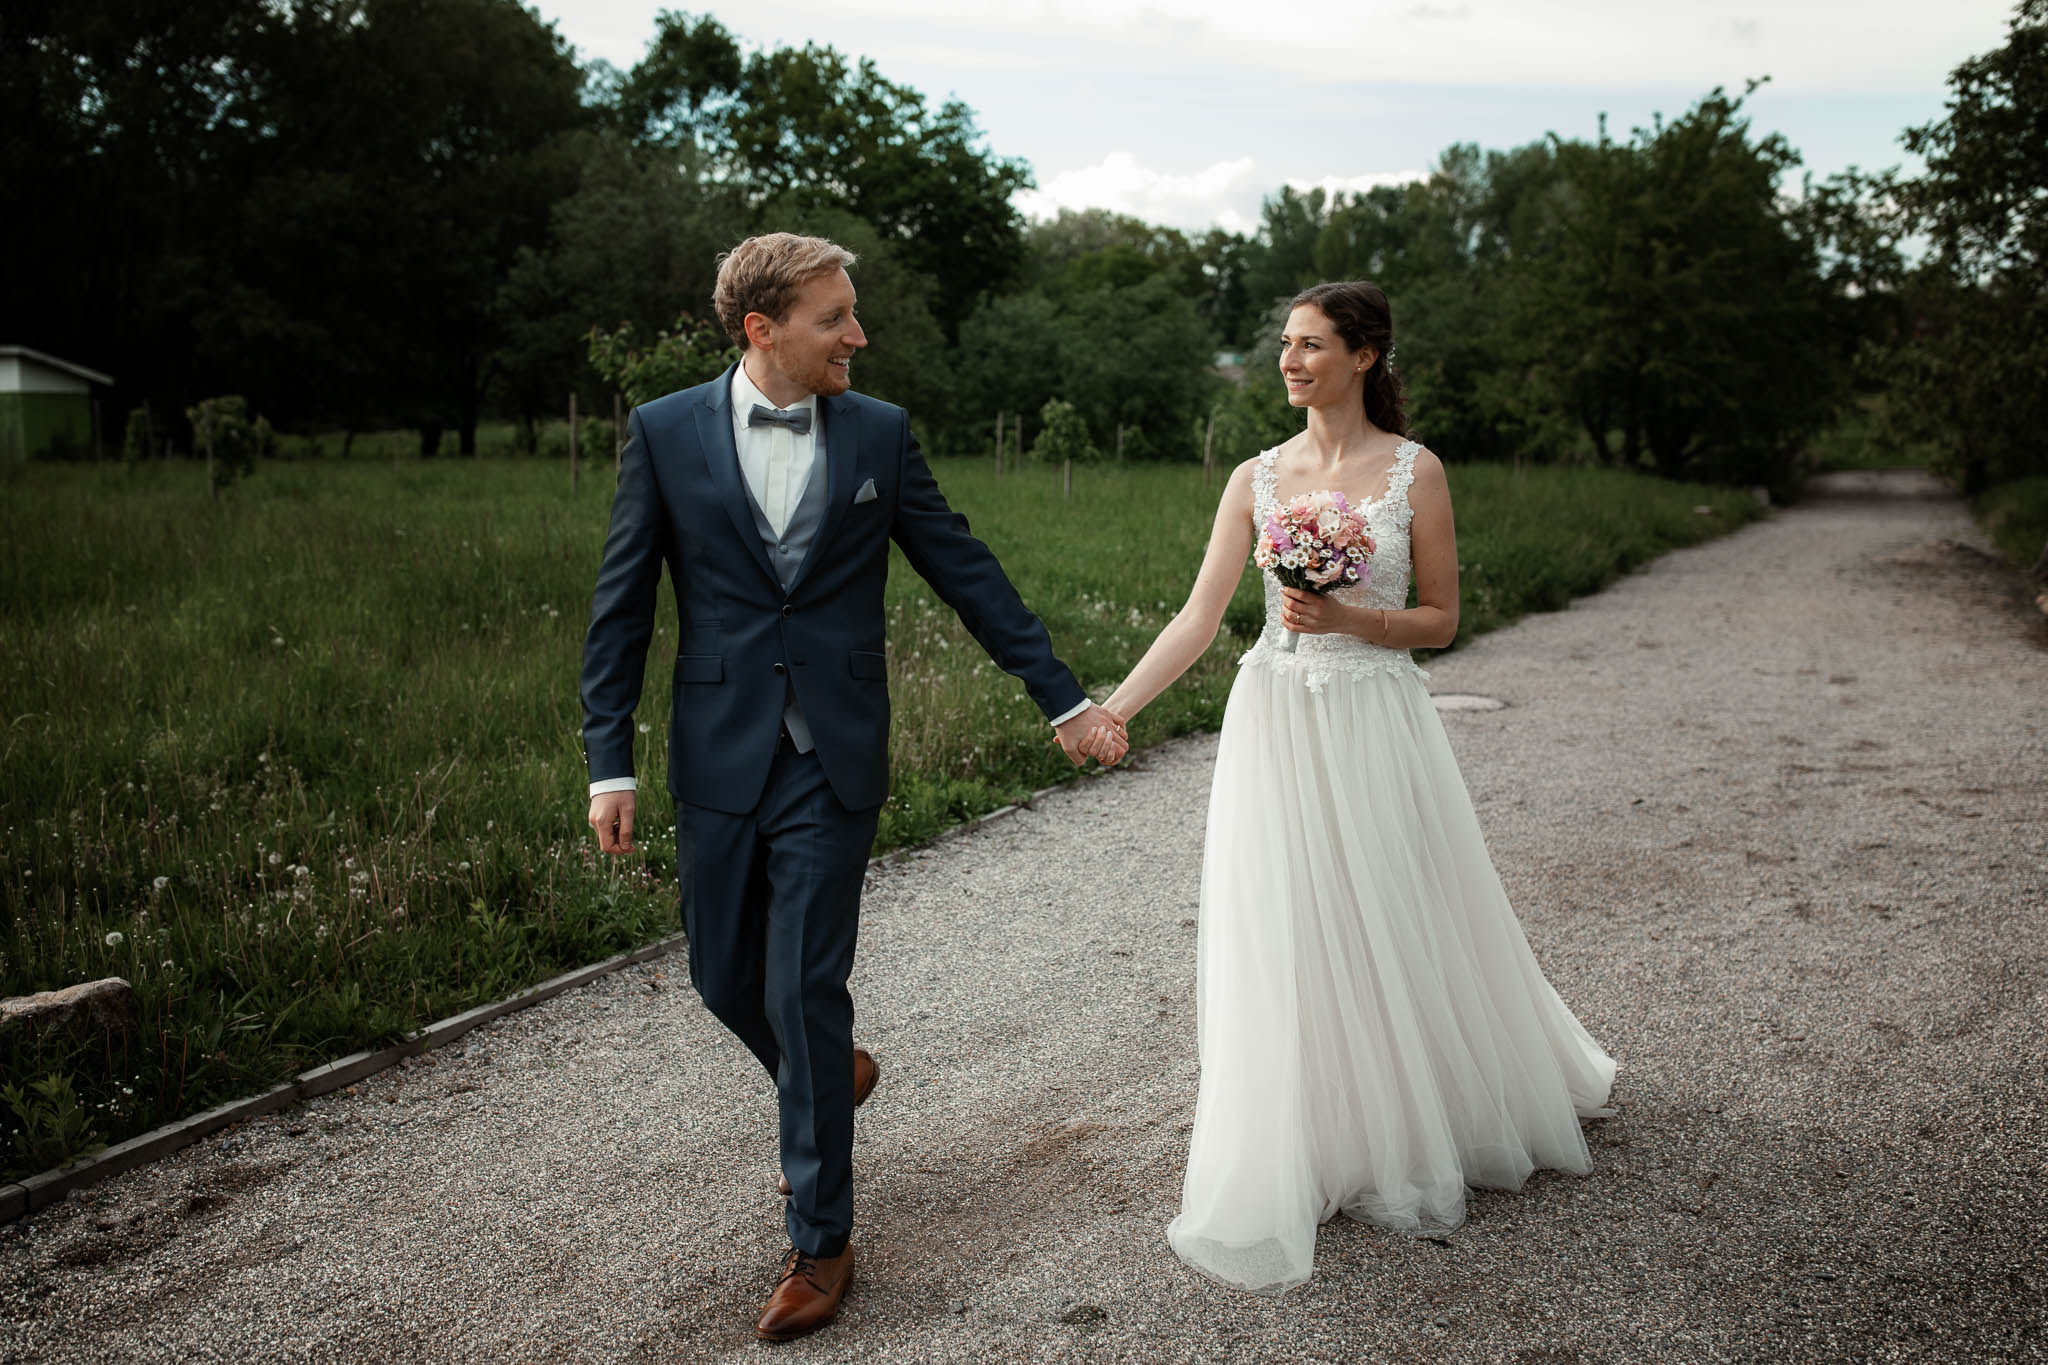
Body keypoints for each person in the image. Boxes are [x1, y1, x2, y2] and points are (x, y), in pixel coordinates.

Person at [580, 233, 1125, 1341]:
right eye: (835, 318)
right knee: (722, 977)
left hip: (834, 756)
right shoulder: (662, 431)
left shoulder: (878, 431)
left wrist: (1061, 698)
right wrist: (609, 760)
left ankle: (820, 1240)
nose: (858, 336)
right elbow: (622, 604)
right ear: (761, 329)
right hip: (719, 748)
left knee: (801, 986)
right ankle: (830, 1074)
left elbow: (961, 564)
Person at [1082, 280, 1615, 1295]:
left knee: (1396, 904)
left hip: (1374, 713)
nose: (1289, 360)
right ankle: (1316, 1135)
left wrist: (1353, 623)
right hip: (1276, 717)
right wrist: (1116, 708)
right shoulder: (1254, 477)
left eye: (1311, 344)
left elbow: (1441, 619)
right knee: (1288, 920)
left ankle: (1421, 1117)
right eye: (1284, 343)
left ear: (1364, 356)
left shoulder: (1412, 472)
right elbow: (1199, 618)